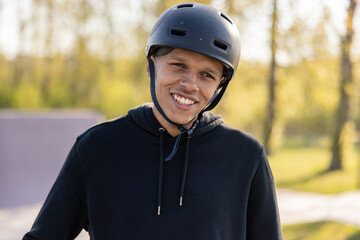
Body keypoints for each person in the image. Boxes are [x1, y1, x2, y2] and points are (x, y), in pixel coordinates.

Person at [23, 2, 283, 240]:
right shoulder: (96, 148)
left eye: (206, 75)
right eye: (178, 65)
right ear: (151, 66)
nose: (190, 84)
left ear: (218, 86)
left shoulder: (246, 157)